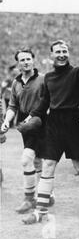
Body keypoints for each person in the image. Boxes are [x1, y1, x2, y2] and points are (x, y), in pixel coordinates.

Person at [21, 40, 79, 224]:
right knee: (48, 165)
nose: (62, 54)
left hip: (74, 124)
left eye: (64, 51)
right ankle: (40, 211)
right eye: (58, 51)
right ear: (51, 55)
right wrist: (31, 116)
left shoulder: (77, 73)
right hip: (54, 125)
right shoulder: (48, 77)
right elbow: (44, 103)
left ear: (69, 53)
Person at [1, 49, 54, 213]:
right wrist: (6, 121)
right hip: (25, 122)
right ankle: (48, 194)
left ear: (33, 60)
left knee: (28, 160)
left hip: (40, 121)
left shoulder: (43, 79)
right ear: (18, 63)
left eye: (28, 59)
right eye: (22, 60)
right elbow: (13, 106)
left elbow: (50, 101)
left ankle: (29, 198)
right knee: (37, 160)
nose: (25, 62)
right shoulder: (16, 83)